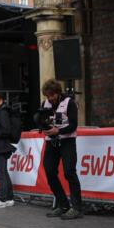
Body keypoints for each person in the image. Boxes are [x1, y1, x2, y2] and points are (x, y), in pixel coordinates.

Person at [39, 79, 82, 219]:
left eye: (51, 95)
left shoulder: (69, 103)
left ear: (58, 93)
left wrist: (58, 131)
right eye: (47, 96)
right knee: (50, 171)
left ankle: (76, 208)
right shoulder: (45, 104)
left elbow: (73, 125)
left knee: (69, 172)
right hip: (51, 142)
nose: (49, 99)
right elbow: (42, 121)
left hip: (67, 141)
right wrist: (43, 127)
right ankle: (62, 204)